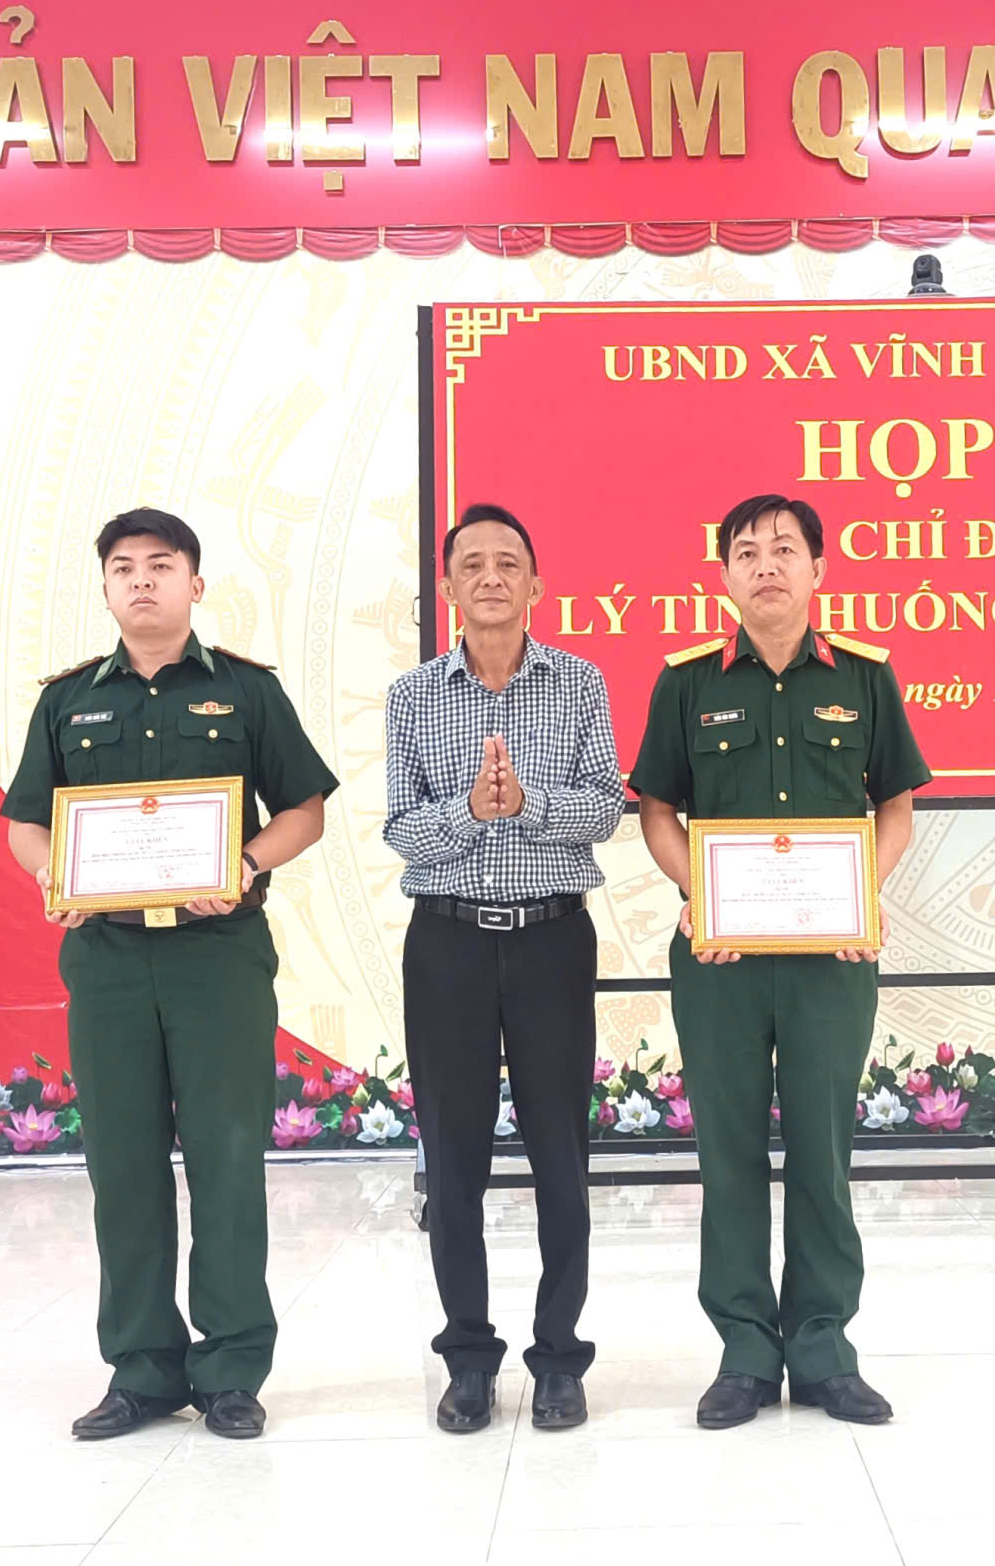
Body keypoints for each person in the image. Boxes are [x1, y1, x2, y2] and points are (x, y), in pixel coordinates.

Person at [0, 507, 338, 1442]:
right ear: (106, 588)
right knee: (123, 1160)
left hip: (217, 956)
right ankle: (142, 1368)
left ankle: (231, 1368)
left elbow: (305, 809)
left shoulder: (246, 691)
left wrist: (248, 862)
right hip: (108, 959)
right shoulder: (68, 701)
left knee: (228, 1156)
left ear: (196, 583)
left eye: (161, 564)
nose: (142, 580)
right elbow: (28, 819)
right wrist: (52, 875)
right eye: (123, 567)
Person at [626, 494, 929, 1430]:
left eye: (784, 549)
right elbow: (658, 811)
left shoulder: (866, 677)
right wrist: (697, 892)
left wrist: (863, 891)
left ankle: (824, 1346)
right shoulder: (686, 683)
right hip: (718, 956)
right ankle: (746, 1351)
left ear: (817, 569)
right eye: (747, 552)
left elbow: (896, 806)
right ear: (723, 574)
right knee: (727, 1153)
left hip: (831, 956)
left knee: (822, 1151)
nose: (766, 565)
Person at [383, 503, 621, 1435]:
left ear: (536, 584)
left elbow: (605, 808)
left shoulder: (580, 682)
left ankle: (559, 1357)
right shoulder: (413, 696)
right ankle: (468, 1359)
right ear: (447, 587)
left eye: (508, 563)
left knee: (561, 1154)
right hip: (445, 943)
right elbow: (402, 827)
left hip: (551, 938)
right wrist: (471, 815)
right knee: (454, 1160)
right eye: (472, 563)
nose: (490, 576)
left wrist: (526, 803)